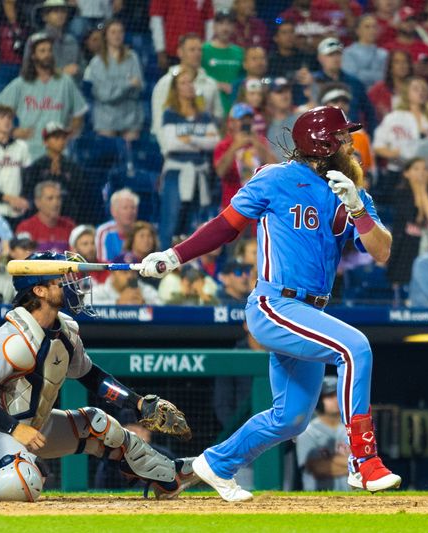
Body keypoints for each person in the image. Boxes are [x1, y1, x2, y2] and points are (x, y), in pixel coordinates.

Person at [139, 106, 401, 500]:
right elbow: (226, 226)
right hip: (274, 304)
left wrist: (358, 209)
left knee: (290, 418)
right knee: (355, 349)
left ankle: (214, 464)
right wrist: (174, 256)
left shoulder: (351, 191)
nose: (349, 143)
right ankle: (363, 462)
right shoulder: (275, 178)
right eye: (342, 137)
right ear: (322, 143)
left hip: (311, 311)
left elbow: (381, 250)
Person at [0, 252, 198, 502]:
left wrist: (136, 403)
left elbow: (90, 376)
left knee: (100, 425)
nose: (72, 285)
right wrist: (12, 429)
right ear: (40, 291)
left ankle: (169, 476)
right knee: (23, 482)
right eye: (61, 281)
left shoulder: (66, 330)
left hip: (35, 425)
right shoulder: (13, 338)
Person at [0, 32, 88, 160]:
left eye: (49, 50)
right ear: (33, 55)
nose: (47, 54)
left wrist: (70, 133)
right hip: (27, 153)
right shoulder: (21, 84)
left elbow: (79, 111)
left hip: (58, 154)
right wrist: (13, 131)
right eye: (42, 51)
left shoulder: (65, 81)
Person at [158, 67, 221, 249]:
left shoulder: (204, 115)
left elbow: (214, 141)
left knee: (193, 223)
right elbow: (171, 144)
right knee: (171, 220)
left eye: (190, 82)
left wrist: (190, 139)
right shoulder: (170, 114)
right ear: (175, 89)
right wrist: (201, 141)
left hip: (200, 172)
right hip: (176, 173)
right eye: (183, 83)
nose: (189, 86)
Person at [387, 158, 428, 295]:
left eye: (425, 169)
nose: (421, 172)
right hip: (404, 247)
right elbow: (415, 217)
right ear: (406, 173)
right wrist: (419, 191)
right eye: (416, 169)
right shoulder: (401, 193)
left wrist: (423, 190)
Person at [83, 18, 144, 141]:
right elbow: (104, 95)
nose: (117, 35)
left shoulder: (132, 57)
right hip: (106, 119)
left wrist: (115, 88)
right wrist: (127, 84)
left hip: (130, 117)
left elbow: (138, 88)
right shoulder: (96, 62)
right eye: (113, 32)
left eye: (120, 32)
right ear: (105, 36)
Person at [151, 34, 223, 137]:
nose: (197, 54)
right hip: (174, 146)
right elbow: (159, 122)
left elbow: (218, 118)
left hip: (204, 145)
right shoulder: (165, 83)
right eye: (192, 50)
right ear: (180, 52)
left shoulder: (211, 84)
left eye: (199, 50)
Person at [214, 103, 275, 212]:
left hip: (257, 204)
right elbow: (220, 172)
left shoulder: (259, 142)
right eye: (241, 119)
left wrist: (257, 144)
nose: (246, 123)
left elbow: (274, 167)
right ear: (231, 123)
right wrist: (235, 147)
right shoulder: (224, 145)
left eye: (249, 119)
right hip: (232, 205)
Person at [23, 122, 87, 224]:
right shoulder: (38, 166)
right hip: (42, 218)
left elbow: (80, 194)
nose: (61, 141)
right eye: (56, 138)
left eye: (63, 138)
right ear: (45, 142)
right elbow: (30, 192)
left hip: (69, 216)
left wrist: (61, 176)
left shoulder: (72, 166)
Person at [373, 77, 428, 180]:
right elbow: (377, 146)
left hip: (425, 173)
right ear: (406, 92)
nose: (421, 92)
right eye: (416, 89)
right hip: (397, 172)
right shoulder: (394, 117)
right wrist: (393, 154)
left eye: (423, 89)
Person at [311, 37, 376, 133]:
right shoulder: (312, 82)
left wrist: (370, 136)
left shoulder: (355, 83)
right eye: (331, 54)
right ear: (320, 58)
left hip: (353, 134)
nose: (336, 58)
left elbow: (370, 113)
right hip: (323, 134)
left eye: (338, 53)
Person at [295, 375, 349, 491]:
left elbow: (365, 464)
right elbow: (317, 468)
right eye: (329, 396)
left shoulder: (352, 429)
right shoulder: (307, 431)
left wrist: (330, 461)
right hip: (319, 502)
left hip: (352, 501)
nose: (336, 400)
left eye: (338, 395)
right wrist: (353, 465)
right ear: (318, 401)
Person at [149, 0, 213, 71]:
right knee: (172, 80)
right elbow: (156, 19)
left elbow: (209, 20)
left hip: (197, 53)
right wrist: (160, 50)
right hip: (171, 53)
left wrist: (208, 47)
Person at [202, 9, 243, 114]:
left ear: (234, 27)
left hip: (235, 108)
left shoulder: (240, 52)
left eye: (229, 24)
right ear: (214, 26)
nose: (225, 28)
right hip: (209, 106)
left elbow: (244, 78)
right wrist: (217, 85)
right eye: (221, 23)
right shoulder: (203, 50)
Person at [15, 181, 76, 253]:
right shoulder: (25, 228)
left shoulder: (70, 226)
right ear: (38, 202)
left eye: (58, 198)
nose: (56, 203)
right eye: (50, 198)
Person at [35, 0, 81, 79]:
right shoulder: (36, 40)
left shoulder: (72, 41)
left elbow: (81, 66)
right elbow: (29, 71)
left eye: (63, 12)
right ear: (45, 17)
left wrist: (78, 69)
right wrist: (61, 72)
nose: (60, 15)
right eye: (55, 11)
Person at [342, 14, 388, 90]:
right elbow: (352, 78)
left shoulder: (383, 54)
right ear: (357, 30)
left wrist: (362, 72)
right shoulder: (348, 53)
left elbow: (386, 77)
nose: (372, 30)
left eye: (374, 27)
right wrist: (376, 75)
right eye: (367, 27)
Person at [367, 49, 413, 123]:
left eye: (405, 62)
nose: (402, 65)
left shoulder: (416, 88)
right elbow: (367, 114)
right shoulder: (378, 90)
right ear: (390, 67)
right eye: (397, 62)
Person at [95, 188, 139, 262]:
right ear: (113, 211)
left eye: (133, 208)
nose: (130, 212)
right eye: (125, 208)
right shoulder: (104, 232)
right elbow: (101, 264)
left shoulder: (142, 231)